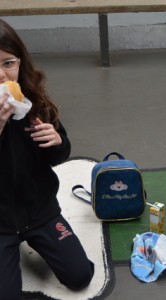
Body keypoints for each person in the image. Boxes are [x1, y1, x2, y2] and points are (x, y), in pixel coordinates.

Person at [0, 19, 94, 299]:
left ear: (21, 63)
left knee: (80, 276)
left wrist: (57, 142)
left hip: (39, 211)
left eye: (8, 63)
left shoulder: (33, 103)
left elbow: (58, 154)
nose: (2, 76)